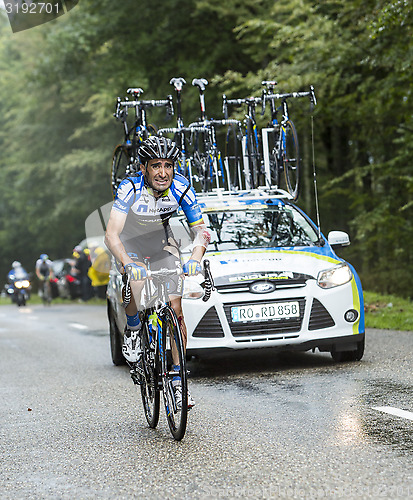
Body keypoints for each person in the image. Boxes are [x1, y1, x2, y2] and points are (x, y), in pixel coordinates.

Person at [105, 136, 210, 409]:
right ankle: (132, 327)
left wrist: (195, 258)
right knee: (137, 284)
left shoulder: (182, 187)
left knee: (176, 308)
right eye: (155, 166)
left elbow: (200, 231)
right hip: (129, 245)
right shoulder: (129, 188)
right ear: (144, 168)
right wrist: (127, 262)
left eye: (168, 165)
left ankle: (177, 379)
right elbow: (111, 234)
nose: (163, 172)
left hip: (162, 243)